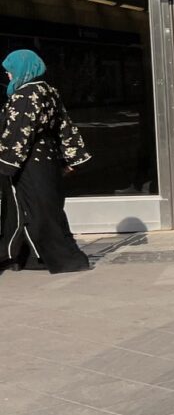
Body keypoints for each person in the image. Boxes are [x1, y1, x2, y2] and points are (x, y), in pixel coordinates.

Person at [0, 49, 92, 274]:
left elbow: (19, 132)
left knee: (31, 210)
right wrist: (72, 158)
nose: (8, 75)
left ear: (22, 69)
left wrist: (6, 164)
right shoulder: (49, 91)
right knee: (45, 209)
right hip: (47, 161)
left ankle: (60, 259)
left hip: (28, 162)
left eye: (10, 70)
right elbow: (65, 126)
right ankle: (29, 256)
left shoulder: (25, 95)